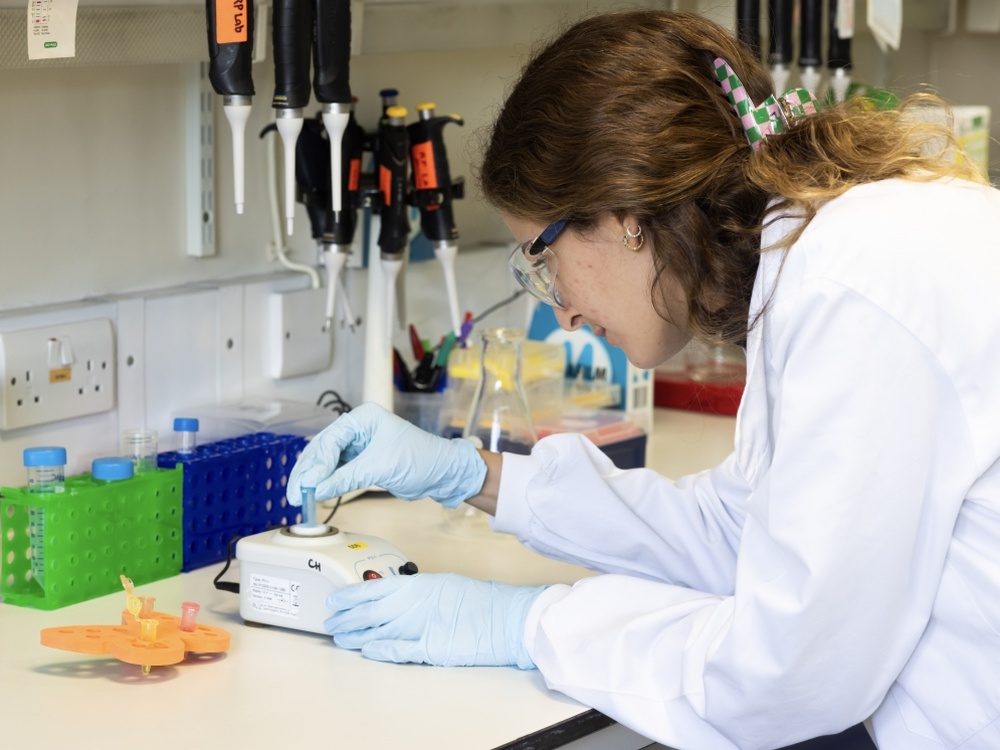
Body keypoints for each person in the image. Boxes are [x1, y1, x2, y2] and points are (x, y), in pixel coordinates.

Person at [287, 9, 1000, 750]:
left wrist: (530, 625)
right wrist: (474, 475)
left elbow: (790, 673)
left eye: (542, 257)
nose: (560, 311)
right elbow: (742, 532)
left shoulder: (852, 286)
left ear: (623, 214)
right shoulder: (828, 254)